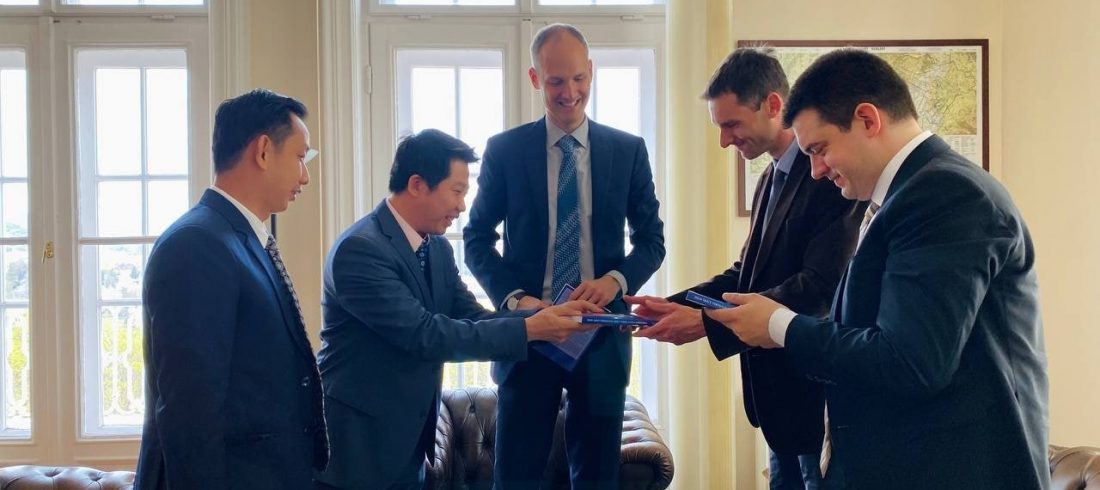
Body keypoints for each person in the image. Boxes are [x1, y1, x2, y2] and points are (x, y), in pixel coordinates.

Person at [709, 49, 1049, 489]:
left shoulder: (945, 193)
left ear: (868, 120)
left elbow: (910, 361)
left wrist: (781, 326)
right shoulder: (905, 195)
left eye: (819, 149)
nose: (815, 171)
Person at [624, 47, 863, 490]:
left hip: (814, 397)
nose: (724, 141)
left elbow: (818, 288)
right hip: (776, 402)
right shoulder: (770, 177)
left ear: (773, 105)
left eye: (731, 124)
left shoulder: (826, 178)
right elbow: (745, 276)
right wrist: (673, 304)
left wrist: (706, 323)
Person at [314, 129, 600, 490]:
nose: (462, 206)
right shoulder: (360, 249)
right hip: (358, 444)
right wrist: (533, 329)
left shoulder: (436, 248)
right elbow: (425, 334)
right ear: (417, 184)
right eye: (457, 191)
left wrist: (545, 317)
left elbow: (471, 316)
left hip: (408, 443)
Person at [463, 23, 665, 489]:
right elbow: (476, 238)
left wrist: (615, 281)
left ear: (591, 72)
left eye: (578, 79)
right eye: (556, 81)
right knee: (515, 476)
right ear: (535, 78)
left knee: (597, 478)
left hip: (601, 335)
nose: (569, 93)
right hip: (529, 335)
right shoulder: (505, 151)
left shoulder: (628, 151)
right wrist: (516, 301)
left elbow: (652, 239)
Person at [135, 89, 326, 489]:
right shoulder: (196, 244)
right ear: (263, 151)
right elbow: (190, 409)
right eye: (300, 157)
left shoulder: (239, 238)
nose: (305, 176)